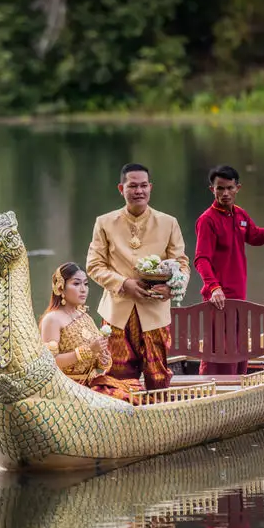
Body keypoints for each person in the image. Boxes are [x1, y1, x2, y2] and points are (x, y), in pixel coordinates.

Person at [86, 163, 190, 390]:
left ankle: (160, 420)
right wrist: (123, 284)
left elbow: (182, 265)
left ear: (150, 187)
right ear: (121, 188)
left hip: (155, 311)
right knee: (117, 377)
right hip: (116, 313)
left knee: (158, 376)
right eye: (132, 186)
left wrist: (171, 289)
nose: (139, 191)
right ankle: (124, 422)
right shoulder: (104, 223)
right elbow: (94, 266)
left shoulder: (168, 222)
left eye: (143, 186)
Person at [193, 164, 264, 375]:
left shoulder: (240, 215)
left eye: (229, 188)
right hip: (218, 299)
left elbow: (256, 236)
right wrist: (214, 287)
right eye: (220, 188)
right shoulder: (207, 220)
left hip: (239, 299)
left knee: (239, 347)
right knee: (218, 350)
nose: (225, 193)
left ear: (238, 188)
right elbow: (201, 259)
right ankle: (211, 390)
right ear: (212, 190)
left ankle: (238, 388)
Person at [39, 262, 142, 403]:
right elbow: (49, 363)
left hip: (92, 384)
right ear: (60, 288)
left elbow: (98, 360)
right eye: (76, 284)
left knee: (136, 390)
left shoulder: (84, 315)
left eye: (86, 284)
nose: (83, 290)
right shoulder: (52, 319)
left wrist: (102, 359)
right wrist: (89, 350)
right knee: (125, 400)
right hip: (68, 388)